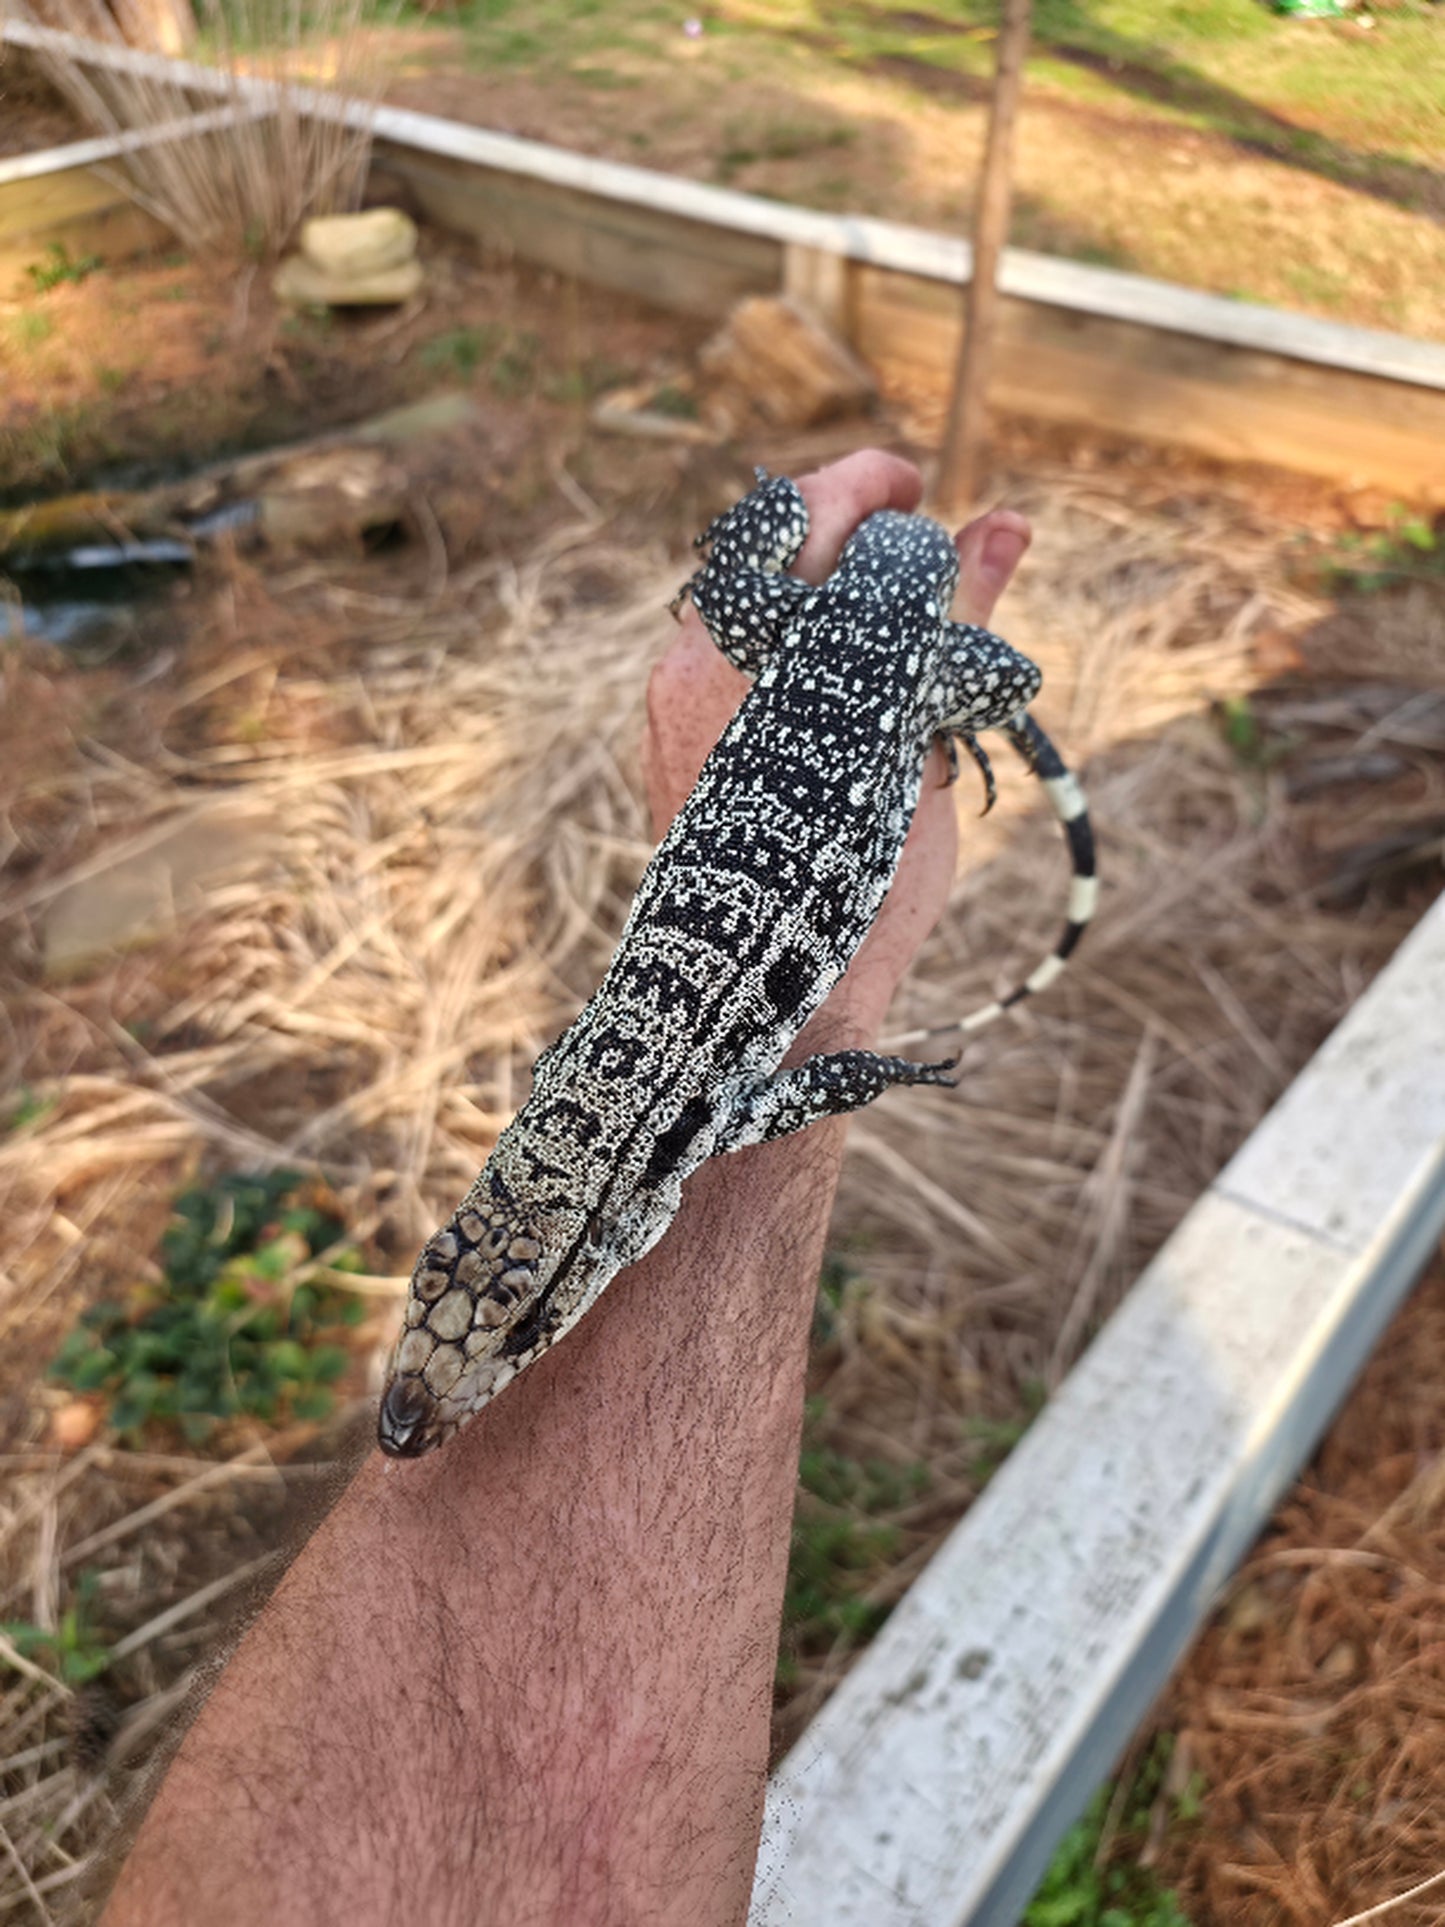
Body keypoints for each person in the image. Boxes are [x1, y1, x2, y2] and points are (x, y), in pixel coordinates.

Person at [101, 448, 1031, 1926]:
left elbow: (806, 1080)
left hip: (863, 676)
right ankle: (795, 518)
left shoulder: (681, 1126)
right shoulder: (611, 1116)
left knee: (988, 677)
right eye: (496, 1317)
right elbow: (808, 1074)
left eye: (522, 1326)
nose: (424, 1402)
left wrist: (870, 1049)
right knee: (975, 671)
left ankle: (808, 532)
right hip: (870, 667)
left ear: (602, 1235)